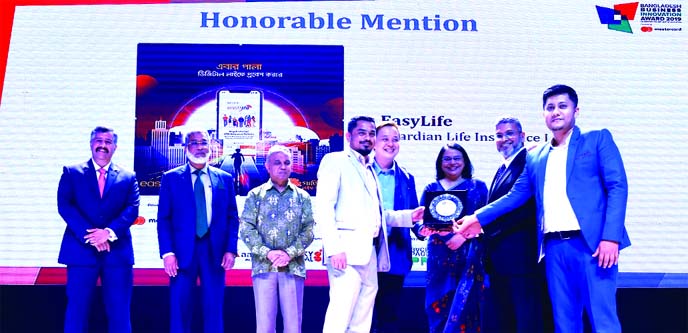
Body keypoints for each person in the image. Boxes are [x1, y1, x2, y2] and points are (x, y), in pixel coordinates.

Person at [456, 84, 630, 333]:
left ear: (575, 110)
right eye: (550, 107)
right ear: (543, 114)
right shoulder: (536, 156)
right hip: (552, 248)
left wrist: (610, 237)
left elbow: (618, 187)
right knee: (564, 322)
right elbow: (515, 196)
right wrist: (476, 217)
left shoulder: (597, 138)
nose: (556, 112)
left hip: (592, 245)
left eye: (562, 106)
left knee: (602, 320)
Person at [314, 116, 424, 333]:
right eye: (361, 133)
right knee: (340, 316)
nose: (367, 138)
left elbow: (378, 215)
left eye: (371, 133)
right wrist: (334, 249)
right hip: (345, 254)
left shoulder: (370, 169)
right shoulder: (335, 160)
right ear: (348, 136)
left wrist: (409, 217)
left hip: (370, 255)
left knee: (361, 321)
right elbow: (324, 208)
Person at [57, 126, 140, 333]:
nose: (103, 145)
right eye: (99, 141)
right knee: (77, 312)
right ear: (91, 143)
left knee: (120, 313)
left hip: (117, 255)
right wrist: (93, 236)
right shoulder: (72, 172)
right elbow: (65, 205)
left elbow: (132, 208)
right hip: (80, 253)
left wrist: (108, 233)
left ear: (115, 147)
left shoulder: (128, 177)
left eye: (108, 142)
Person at [157, 129, 240, 333]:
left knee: (214, 309)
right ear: (186, 148)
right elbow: (164, 219)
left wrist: (231, 249)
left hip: (215, 252)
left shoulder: (225, 178)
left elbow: (232, 216)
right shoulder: (171, 179)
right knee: (180, 310)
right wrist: (168, 253)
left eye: (204, 142)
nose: (201, 147)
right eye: (195, 143)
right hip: (182, 253)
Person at [481, 117, 551, 333]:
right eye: (499, 135)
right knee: (506, 319)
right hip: (501, 261)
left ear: (522, 136)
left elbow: (522, 209)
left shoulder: (529, 162)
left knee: (527, 320)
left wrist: (476, 225)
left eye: (509, 133)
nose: (504, 139)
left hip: (521, 259)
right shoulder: (503, 168)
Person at [240, 145, 315, 333]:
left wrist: (288, 254)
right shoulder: (255, 196)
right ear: (267, 166)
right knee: (264, 326)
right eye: (277, 163)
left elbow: (308, 231)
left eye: (287, 163)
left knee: (293, 326)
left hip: (293, 267)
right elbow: (246, 228)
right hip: (264, 267)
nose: (283, 167)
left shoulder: (303, 197)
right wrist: (268, 253)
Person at [419, 143, 488, 333]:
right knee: (438, 308)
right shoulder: (431, 188)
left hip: (469, 259)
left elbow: (487, 222)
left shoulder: (478, 187)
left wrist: (462, 237)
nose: (452, 163)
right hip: (439, 259)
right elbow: (420, 222)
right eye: (447, 159)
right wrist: (425, 230)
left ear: (465, 161)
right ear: (440, 163)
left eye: (457, 158)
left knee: (468, 308)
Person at [370, 121, 421, 333]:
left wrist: (424, 230)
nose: (391, 144)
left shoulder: (407, 178)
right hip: (366, 253)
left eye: (395, 139)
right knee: (361, 315)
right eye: (385, 139)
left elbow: (414, 214)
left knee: (388, 316)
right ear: (373, 142)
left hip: (395, 254)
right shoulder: (361, 172)